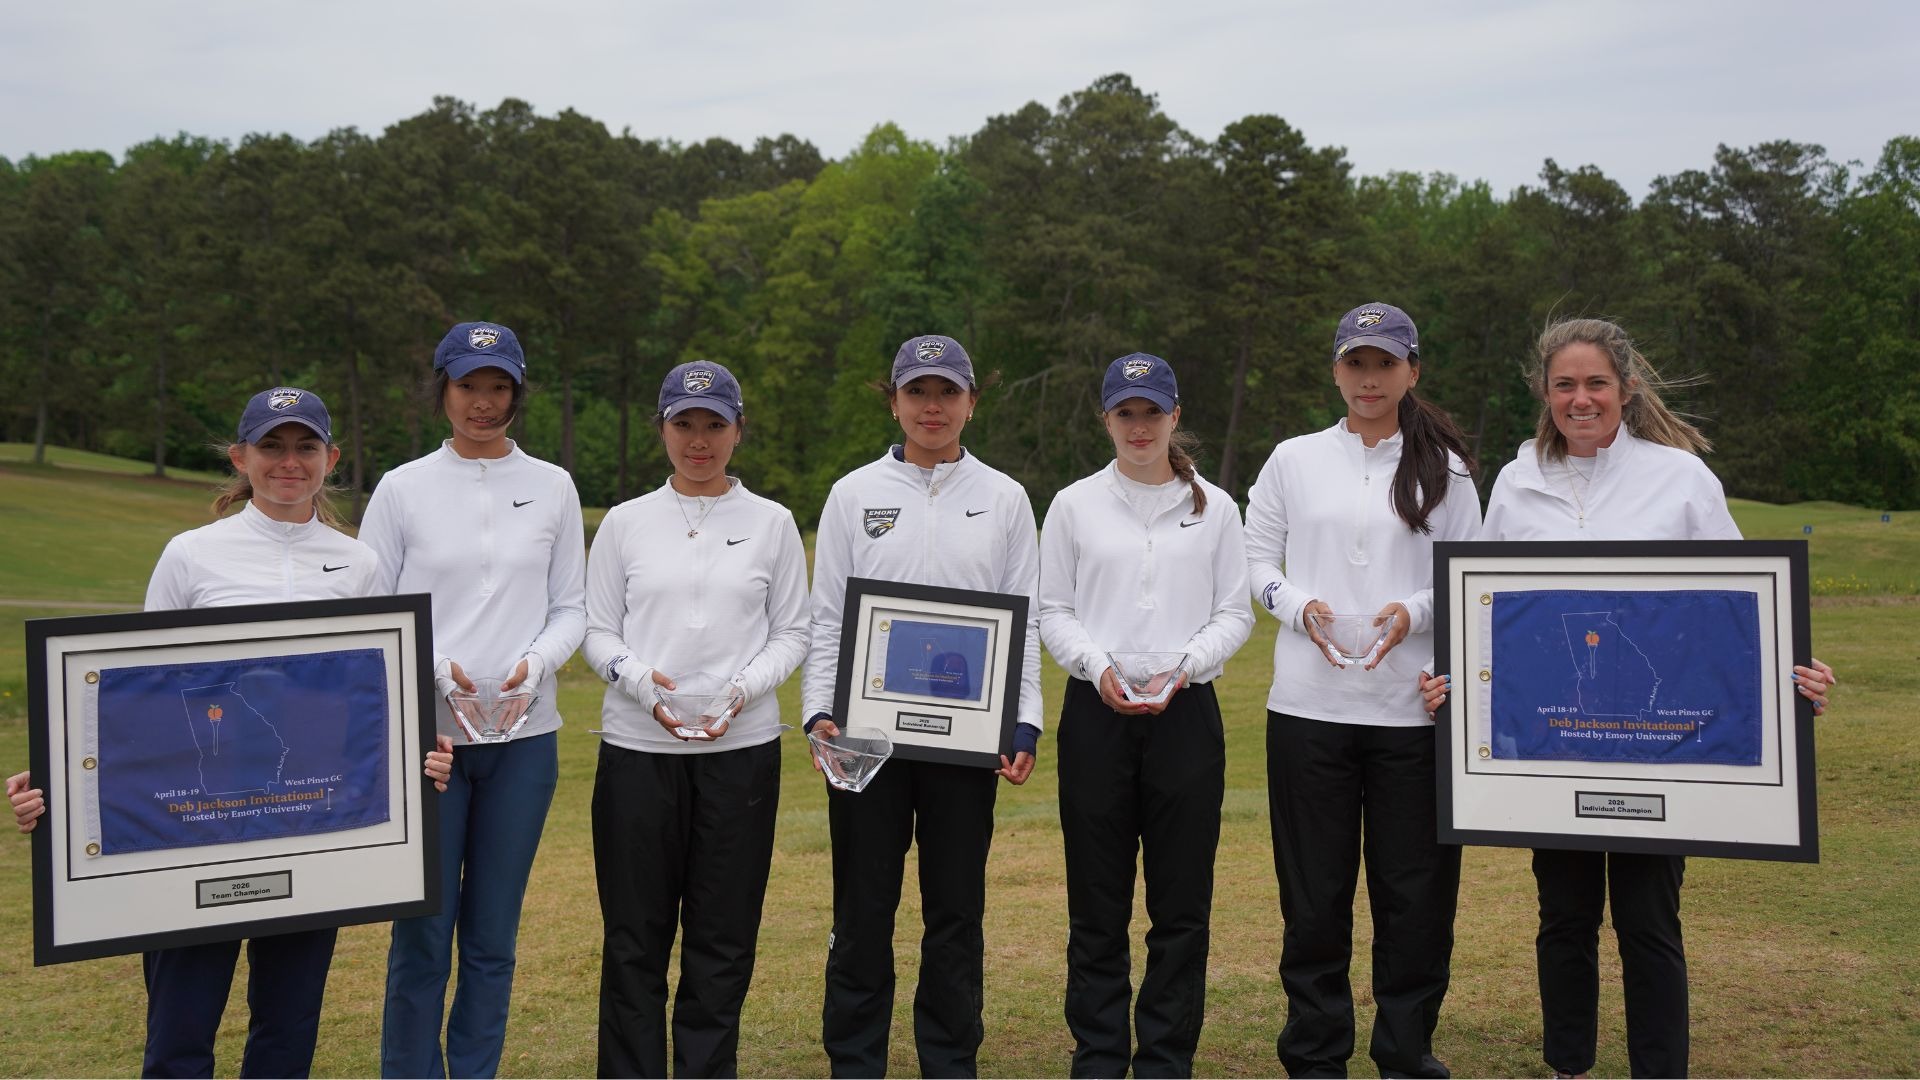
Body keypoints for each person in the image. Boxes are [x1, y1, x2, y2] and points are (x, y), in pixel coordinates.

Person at [6, 386, 453, 1078]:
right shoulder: (191, 554)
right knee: (181, 1031)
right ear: (241, 457)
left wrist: (421, 757)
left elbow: (375, 698)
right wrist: (59, 779)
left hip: (310, 825)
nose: (288, 461)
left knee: (287, 1027)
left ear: (330, 458)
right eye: (271, 446)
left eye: (305, 446)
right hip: (196, 830)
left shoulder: (358, 564)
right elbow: (135, 697)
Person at [1481, 316, 1837, 1079]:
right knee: (1564, 917)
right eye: (1566, 385)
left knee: (1648, 919)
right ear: (1545, 394)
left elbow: (1743, 605)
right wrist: (1460, 681)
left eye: (1596, 384)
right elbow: (1492, 615)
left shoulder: (1680, 480)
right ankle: (1567, 1066)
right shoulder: (1514, 484)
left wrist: (1796, 669)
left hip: (1657, 746)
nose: (1582, 400)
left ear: (1627, 389)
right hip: (1557, 743)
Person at [1245, 303, 1482, 1078]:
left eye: (1385, 364)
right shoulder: (1293, 459)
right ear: (1337, 369)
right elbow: (1256, 560)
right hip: (1309, 709)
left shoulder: (1446, 470)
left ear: (1413, 370)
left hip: (1413, 711)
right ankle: (1315, 1054)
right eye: (1356, 363)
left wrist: (1410, 611)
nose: (1369, 379)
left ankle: (1406, 1051)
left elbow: (1470, 581)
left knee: (1413, 898)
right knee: (1313, 898)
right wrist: (1297, 606)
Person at [803, 333, 1043, 1077]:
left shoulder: (1004, 499)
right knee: (864, 911)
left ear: (972, 401)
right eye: (918, 392)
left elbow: (1024, 619)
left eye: (947, 393)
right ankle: (854, 1059)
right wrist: (818, 715)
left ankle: (948, 1058)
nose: (932, 408)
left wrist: (1023, 717)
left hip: (966, 742)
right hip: (865, 741)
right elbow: (828, 620)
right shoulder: (854, 494)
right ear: (895, 399)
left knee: (955, 914)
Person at [360, 322, 587, 1079]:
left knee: (492, 938)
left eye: (498, 387)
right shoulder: (402, 488)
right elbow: (374, 608)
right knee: (423, 934)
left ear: (517, 393)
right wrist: (435, 667)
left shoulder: (553, 485)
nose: (483, 403)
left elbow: (571, 608)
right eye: (468, 386)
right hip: (429, 745)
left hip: (525, 742)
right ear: (443, 390)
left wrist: (534, 662)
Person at [581, 361, 809, 1077]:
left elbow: (793, 633)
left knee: (722, 939)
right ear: (663, 429)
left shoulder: (771, 523)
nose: (699, 440)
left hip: (739, 755)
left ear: (739, 430)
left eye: (715, 425)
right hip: (637, 754)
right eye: (685, 424)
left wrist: (741, 690)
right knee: (633, 940)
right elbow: (597, 631)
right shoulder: (625, 523)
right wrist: (645, 684)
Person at [1037, 352, 1254, 1076]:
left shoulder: (1215, 507)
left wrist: (1184, 666)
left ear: (1175, 416)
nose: (1140, 426)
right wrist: (1097, 668)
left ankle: (1166, 1058)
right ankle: (1098, 1055)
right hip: (1095, 715)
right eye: (1126, 413)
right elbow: (1054, 611)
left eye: (1152, 412)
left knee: (1181, 906)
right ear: (1106, 418)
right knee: (1097, 905)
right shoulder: (1073, 504)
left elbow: (1234, 613)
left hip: (1186, 716)